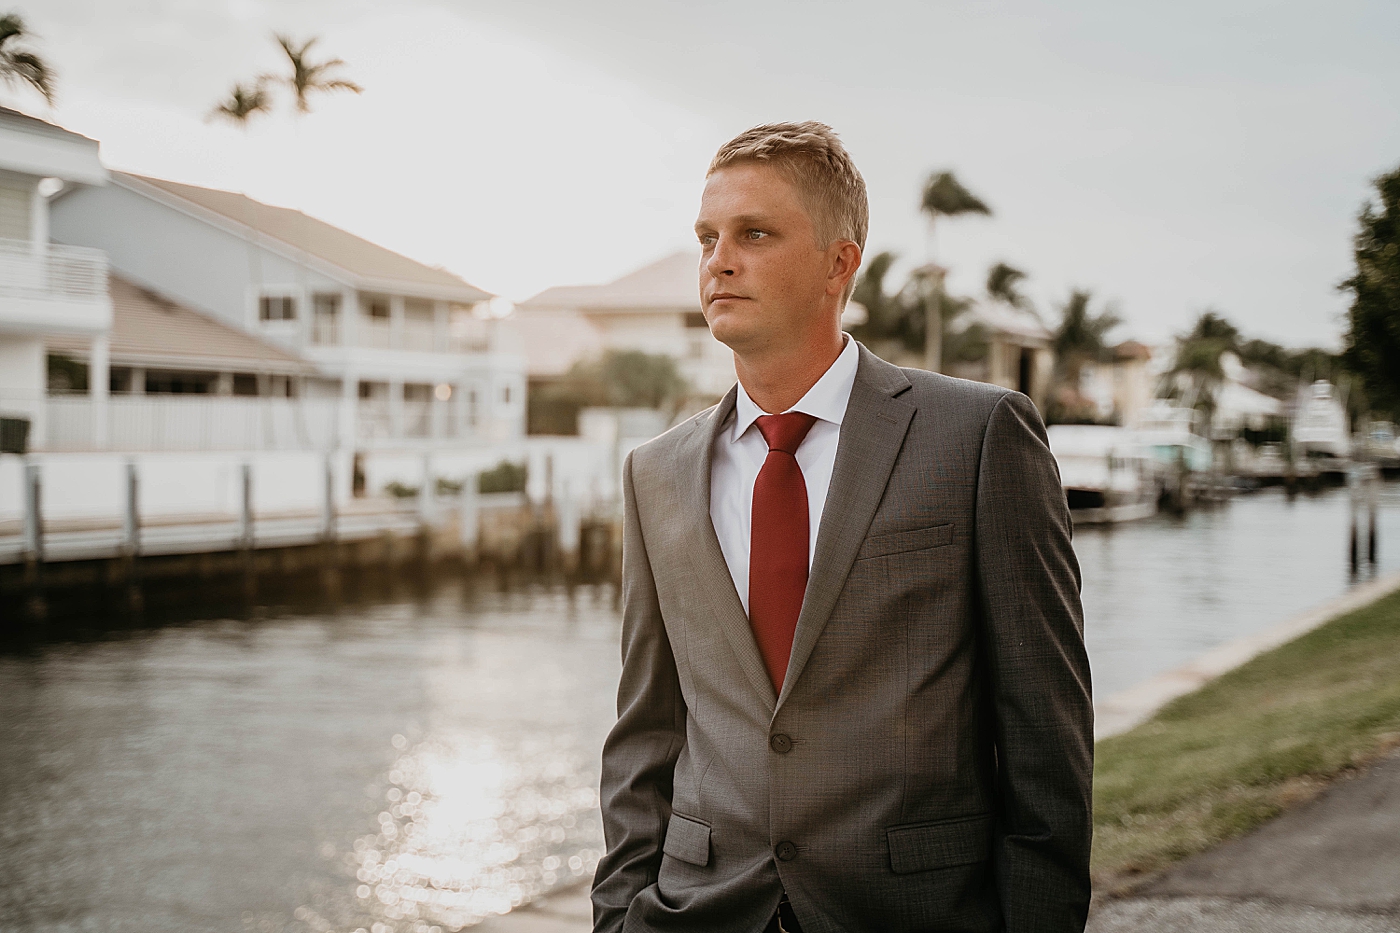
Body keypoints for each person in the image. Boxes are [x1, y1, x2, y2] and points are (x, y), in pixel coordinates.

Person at [592, 122, 1093, 933]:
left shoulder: (977, 435)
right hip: (699, 912)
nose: (719, 259)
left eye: (754, 233)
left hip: (911, 910)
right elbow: (645, 731)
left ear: (839, 262)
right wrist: (616, 916)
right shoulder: (655, 472)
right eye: (708, 237)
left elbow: (1045, 732)